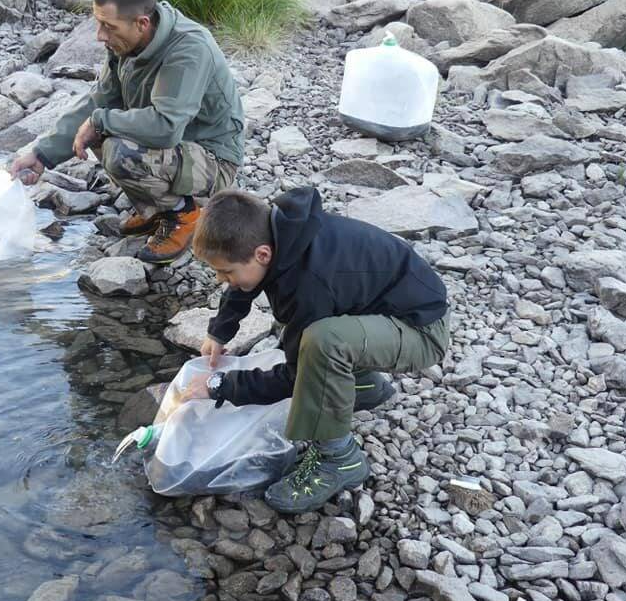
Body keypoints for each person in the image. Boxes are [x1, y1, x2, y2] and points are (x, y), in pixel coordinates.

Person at [188, 187, 450, 513]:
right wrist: (220, 330)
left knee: (321, 342)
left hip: (421, 332)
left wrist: (221, 386)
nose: (219, 278)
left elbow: (296, 378)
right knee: (303, 333)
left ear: (263, 254)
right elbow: (245, 280)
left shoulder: (310, 283)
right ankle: (363, 387)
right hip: (386, 308)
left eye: (225, 272)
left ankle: (339, 459)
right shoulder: (281, 230)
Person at [9, 0, 245, 264]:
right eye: (98, 23)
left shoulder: (188, 50)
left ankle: (185, 214)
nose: (100, 35)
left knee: (119, 147)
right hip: (178, 150)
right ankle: (154, 209)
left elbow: (166, 127)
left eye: (108, 26)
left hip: (213, 159)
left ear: (142, 23)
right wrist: (42, 155)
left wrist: (101, 121)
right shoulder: (125, 44)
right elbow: (99, 100)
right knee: (101, 129)